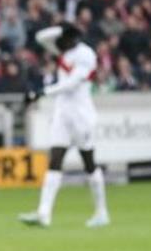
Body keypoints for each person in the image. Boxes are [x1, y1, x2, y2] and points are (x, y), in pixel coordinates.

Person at [19, 22, 110, 228]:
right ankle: (44, 213)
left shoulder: (86, 54)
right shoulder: (65, 49)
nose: (58, 43)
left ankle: (101, 211)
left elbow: (73, 83)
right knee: (55, 160)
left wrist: (42, 92)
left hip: (81, 115)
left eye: (63, 38)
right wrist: (62, 29)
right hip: (62, 115)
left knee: (89, 163)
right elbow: (41, 37)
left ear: (73, 39)